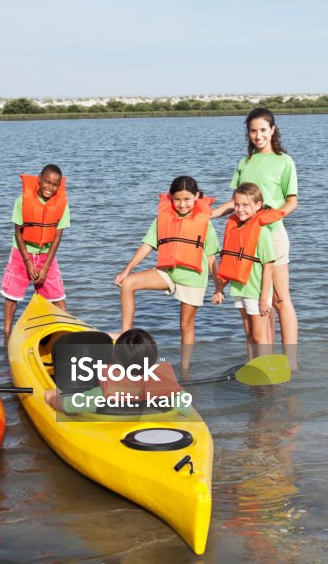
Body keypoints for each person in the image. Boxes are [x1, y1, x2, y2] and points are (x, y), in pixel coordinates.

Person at [211, 107, 298, 355]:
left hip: (273, 236)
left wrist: (269, 217)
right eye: (253, 131)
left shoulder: (284, 161)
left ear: (272, 130)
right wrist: (212, 213)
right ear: (248, 133)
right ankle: (266, 361)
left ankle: (291, 362)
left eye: (262, 130)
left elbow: (292, 201)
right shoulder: (245, 162)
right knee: (262, 301)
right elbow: (235, 202)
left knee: (280, 301)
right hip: (246, 241)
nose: (258, 135)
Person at [114, 175, 219, 374]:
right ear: (171, 198)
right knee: (128, 283)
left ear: (196, 197)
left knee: (185, 325)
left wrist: (218, 286)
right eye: (177, 199)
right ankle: (125, 336)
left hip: (192, 277)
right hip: (168, 272)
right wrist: (127, 269)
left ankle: (185, 368)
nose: (182, 204)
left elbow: (212, 258)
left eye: (187, 199)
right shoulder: (163, 218)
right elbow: (147, 245)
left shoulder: (204, 223)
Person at [212, 183, 282, 359]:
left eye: (245, 205)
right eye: (236, 205)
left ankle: (267, 368)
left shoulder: (262, 232)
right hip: (240, 290)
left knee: (260, 336)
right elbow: (231, 263)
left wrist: (264, 299)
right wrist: (219, 289)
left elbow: (268, 266)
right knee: (249, 334)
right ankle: (252, 366)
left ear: (258, 206)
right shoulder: (235, 229)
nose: (240, 209)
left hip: (257, 292)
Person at [44, 328, 185, 413]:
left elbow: (64, 405)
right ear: (154, 359)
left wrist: (50, 396)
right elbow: (187, 411)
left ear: (115, 361)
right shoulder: (172, 391)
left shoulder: (101, 394)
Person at [1, 165, 69, 340]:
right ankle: (7, 334)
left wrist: (45, 267)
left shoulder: (62, 204)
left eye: (55, 184)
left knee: (58, 297)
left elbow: (57, 238)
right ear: (39, 179)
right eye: (47, 182)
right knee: (11, 297)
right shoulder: (22, 201)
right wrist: (27, 261)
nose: (50, 187)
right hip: (21, 252)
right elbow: (18, 232)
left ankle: (66, 334)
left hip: (47, 254)